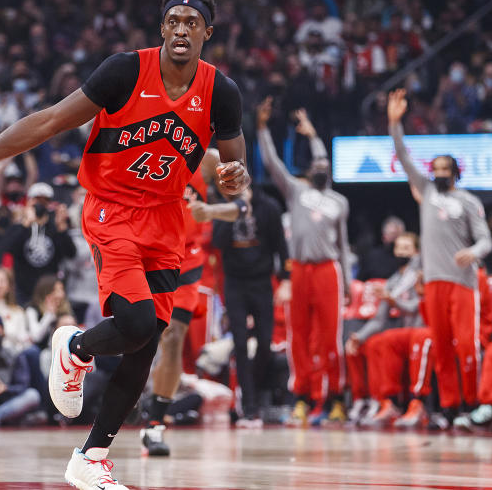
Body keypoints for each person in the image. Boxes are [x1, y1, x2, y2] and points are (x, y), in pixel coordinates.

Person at [0, 0, 248, 489]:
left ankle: (91, 457)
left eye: (192, 23)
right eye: (173, 20)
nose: (182, 30)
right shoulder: (124, 71)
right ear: (162, 29)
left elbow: (233, 160)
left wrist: (233, 176)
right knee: (135, 322)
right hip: (112, 209)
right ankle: (74, 348)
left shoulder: (221, 91)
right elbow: (47, 121)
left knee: (145, 343)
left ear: (207, 33)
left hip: (165, 218)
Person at [387, 89, 492, 428]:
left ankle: (474, 404)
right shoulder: (428, 193)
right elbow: (403, 155)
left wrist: (472, 253)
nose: (440, 172)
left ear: (456, 173)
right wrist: (394, 123)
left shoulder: (468, 201)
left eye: (446, 168)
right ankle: (449, 407)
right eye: (437, 168)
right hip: (434, 283)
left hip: (463, 282)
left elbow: (486, 240)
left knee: (466, 345)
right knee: (443, 348)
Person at [257, 99, 351, 426]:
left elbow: (343, 244)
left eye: (325, 166)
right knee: (299, 335)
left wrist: (349, 286)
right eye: (316, 165)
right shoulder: (297, 191)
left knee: (330, 339)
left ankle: (335, 398)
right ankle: (301, 397)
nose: (320, 168)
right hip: (298, 269)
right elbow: (271, 164)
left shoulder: (339, 202)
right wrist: (262, 129)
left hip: (329, 270)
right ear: (309, 170)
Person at [141, 149, 222, 455]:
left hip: (187, 258)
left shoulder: (209, 159)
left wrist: (230, 188)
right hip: (151, 252)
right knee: (142, 337)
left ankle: (155, 425)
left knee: (174, 337)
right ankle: (132, 404)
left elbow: (239, 188)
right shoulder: (152, 145)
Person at [196, 181, 290, 429]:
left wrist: (286, 280)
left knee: (264, 343)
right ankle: (249, 407)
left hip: (262, 282)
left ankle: (253, 393)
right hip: (235, 283)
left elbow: (280, 243)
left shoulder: (268, 207)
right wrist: (233, 210)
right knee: (238, 343)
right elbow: (218, 242)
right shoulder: (224, 209)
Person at [344, 233, 429, 428]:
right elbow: (379, 320)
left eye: (406, 248)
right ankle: (377, 401)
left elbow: (416, 306)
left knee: (384, 341)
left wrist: (394, 300)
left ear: (417, 252)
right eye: (398, 248)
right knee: (367, 344)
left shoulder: (421, 274)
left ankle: (401, 401)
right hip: (402, 334)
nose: (401, 252)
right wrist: (359, 336)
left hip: (421, 329)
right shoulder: (393, 280)